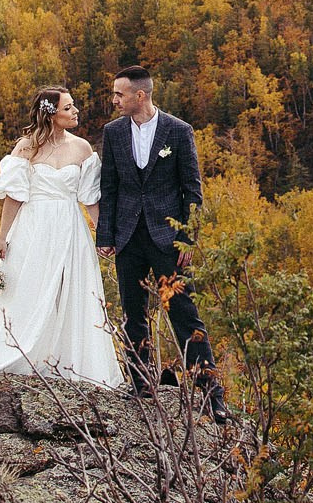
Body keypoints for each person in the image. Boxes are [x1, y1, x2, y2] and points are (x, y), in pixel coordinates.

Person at [0, 85, 120, 387]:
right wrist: (1, 238)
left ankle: (72, 363)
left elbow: (89, 198)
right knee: (26, 287)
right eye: (68, 108)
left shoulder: (82, 148)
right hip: (33, 225)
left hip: (70, 226)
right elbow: (15, 196)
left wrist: (104, 235)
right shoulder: (26, 147)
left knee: (72, 290)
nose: (75, 111)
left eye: (73, 106)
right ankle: (15, 355)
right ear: (51, 115)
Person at [94, 65, 220, 408]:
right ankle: (141, 385)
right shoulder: (114, 132)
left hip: (168, 240)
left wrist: (187, 239)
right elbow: (110, 186)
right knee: (133, 315)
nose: (114, 100)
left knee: (184, 313)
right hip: (129, 238)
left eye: (119, 94)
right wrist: (105, 235)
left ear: (140, 95)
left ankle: (212, 395)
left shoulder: (178, 131)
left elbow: (192, 191)